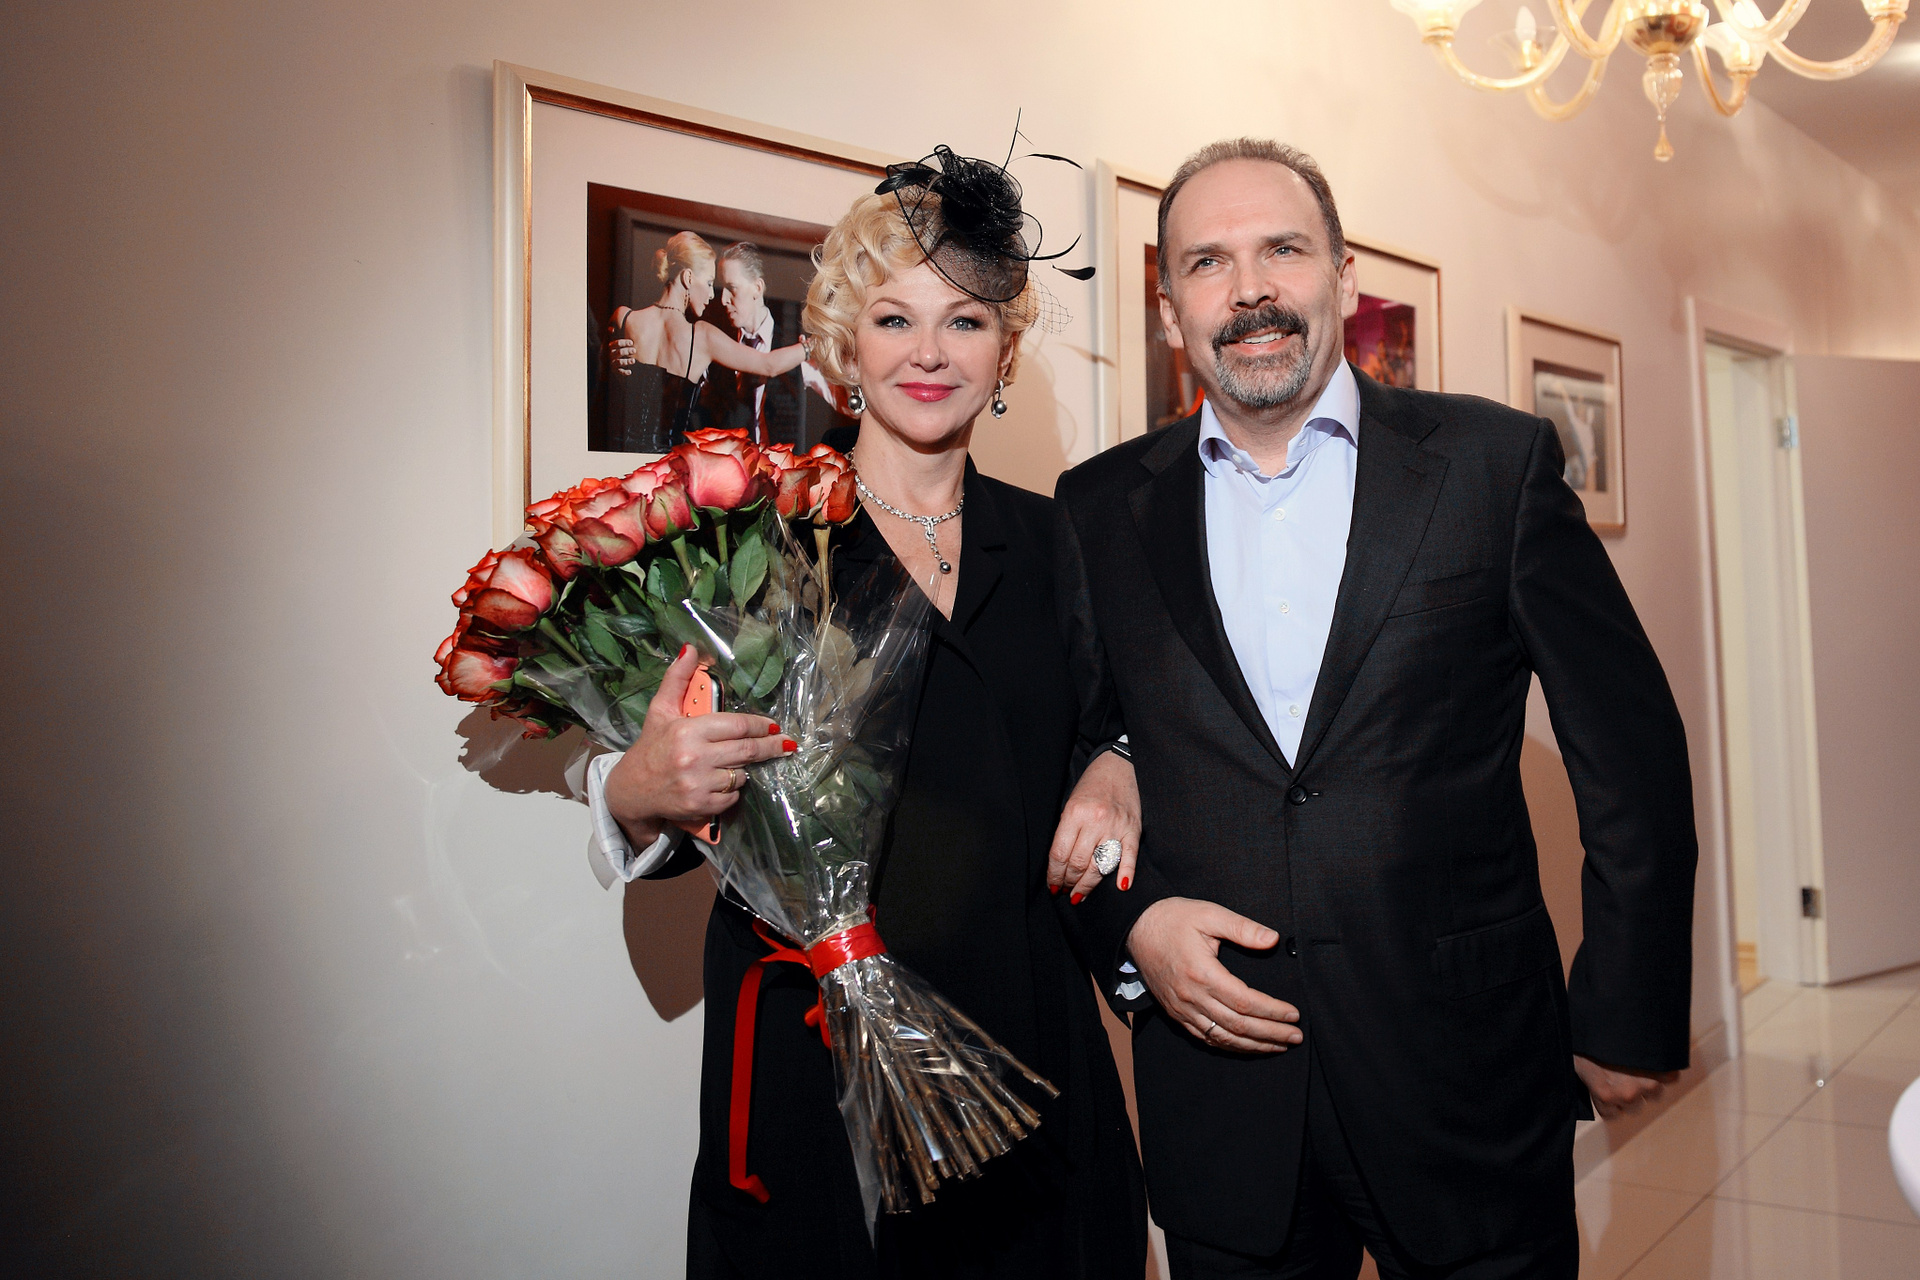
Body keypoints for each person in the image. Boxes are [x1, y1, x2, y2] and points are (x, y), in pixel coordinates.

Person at [1052, 139, 1698, 1279]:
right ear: (1168, 310)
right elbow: (1074, 745)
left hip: (1464, 1078)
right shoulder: (1100, 506)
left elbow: (1628, 748)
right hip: (1224, 1094)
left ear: (1343, 278)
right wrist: (1129, 925)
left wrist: (1627, 1005)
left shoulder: (1491, 465)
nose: (1250, 289)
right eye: (1208, 262)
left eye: (1283, 249)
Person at [586, 150, 1148, 1279]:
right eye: (894, 319)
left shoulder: (1058, 541)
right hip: (815, 1064)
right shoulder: (749, 542)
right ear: (845, 348)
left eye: (965, 321)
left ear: (1003, 353)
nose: (929, 353)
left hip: (1029, 1055)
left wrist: (1119, 762)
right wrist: (632, 794)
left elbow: (1115, 716)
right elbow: (651, 762)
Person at [603, 231, 809, 453]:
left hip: (618, 455)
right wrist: (811, 346)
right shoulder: (701, 336)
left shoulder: (623, 317)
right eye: (710, 283)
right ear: (688, 278)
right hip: (668, 464)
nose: (713, 295)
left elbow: (599, 387)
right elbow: (769, 365)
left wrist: (610, 362)